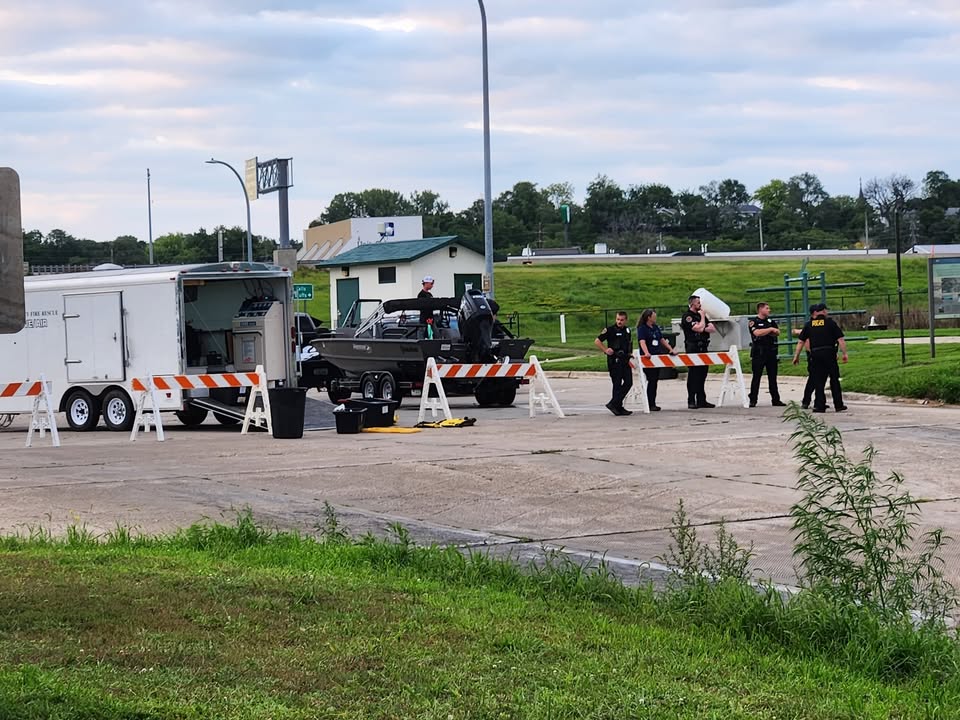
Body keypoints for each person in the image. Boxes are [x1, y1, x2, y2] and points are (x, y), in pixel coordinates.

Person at [793, 303, 848, 413]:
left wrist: (796, 356)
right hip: (829, 354)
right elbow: (840, 340)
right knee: (834, 380)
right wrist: (844, 353)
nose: (826, 312)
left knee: (818, 380)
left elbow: (801, 341)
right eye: (825, 310)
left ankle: (819, 405)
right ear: (822, 311)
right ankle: (838, 404)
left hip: (816, 355)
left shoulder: (809, 324)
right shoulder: (830, 323)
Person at [636, 308, 677, 411]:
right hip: (648, 358)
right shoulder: (642, 328)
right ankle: (650, 403)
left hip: (657, 357)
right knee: (652, 379)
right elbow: (642, 341)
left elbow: (661, 339)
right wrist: (646, 352)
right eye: (654, 316)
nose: (655, 317)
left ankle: (652, 402)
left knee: (654, 380)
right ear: (649, 317)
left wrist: (670, 349)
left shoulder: (655, 327)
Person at [680, 294, 716, 409]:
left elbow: (712, 329)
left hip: (703, 347)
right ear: (692, 303)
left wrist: (702, 324)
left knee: (703, 374)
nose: (700, 304)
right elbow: (699, 328)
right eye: (698, 302)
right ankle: (691, 400)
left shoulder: (702, 316)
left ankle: (702, 400)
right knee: (693, 374)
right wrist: (702, 321)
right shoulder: (688, 316)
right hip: (693, 347)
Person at [595, 311, 634, 416]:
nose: (619, 322)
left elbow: (629, 344)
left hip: (625, 360)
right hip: (614, 360)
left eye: (622, 320)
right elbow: (597, 341)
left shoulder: (627, 330)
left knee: (628, 382)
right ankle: (617, 407)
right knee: (617, 384)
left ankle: (614, 403)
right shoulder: (610, 330)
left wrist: (629, 354)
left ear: (626, 320)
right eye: (618, 319)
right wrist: (605, 349)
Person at [748, 302, 785, 408]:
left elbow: (777, 332)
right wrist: (769, 330)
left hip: (771, 352)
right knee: (757, 377)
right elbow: (757, 333)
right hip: (759, 353)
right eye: (767, 308)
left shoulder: (771, 321)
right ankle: (753, 399)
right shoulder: (753, 321)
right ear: (760, 310)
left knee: (773, 377)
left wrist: (770, 330)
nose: (769, 310)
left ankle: (776, 399)